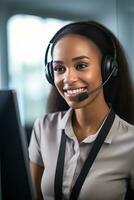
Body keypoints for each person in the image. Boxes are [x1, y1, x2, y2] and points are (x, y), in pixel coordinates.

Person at [29, 21, 134, 200]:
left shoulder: (130, 142)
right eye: (59, 69)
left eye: (81, 65)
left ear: (107, 68)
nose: (67, 79)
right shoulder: (43, 128)